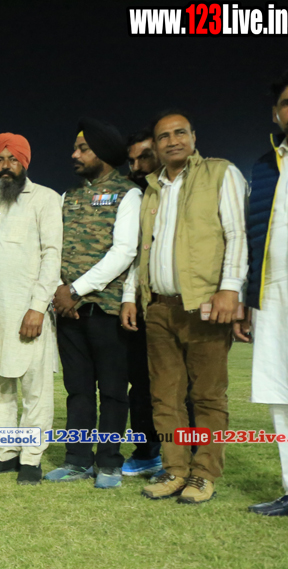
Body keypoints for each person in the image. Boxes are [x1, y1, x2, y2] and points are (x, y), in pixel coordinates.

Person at [120, 111, 248, 504]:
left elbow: (236, 233)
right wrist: (131, 296)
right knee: (165, 397)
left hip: (205, 304)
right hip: (159, 308)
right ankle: (175, 469)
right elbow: (143, 249)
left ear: (193, 137)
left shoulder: (220, 173)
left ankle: (204, 474)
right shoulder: (152, 189)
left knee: (207, 396)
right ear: (156, 146)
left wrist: (230, 289)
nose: (173, 140)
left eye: (180, 133)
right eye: (164, 136)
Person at [48, 118, 140, 488]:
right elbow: (54, 248)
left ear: (102, 152)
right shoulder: (68, 196)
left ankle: (109, 463)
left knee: (114, 391)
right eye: (75, 148)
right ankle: (77, 460)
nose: (75, 154)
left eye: (83, 149)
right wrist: (60, 291)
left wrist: (76, 289)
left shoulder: (128, 194)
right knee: (78, 391)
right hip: (69, 311)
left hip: (107, 309)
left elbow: (124, 252)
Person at [238, 68, 288, 516]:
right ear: (276, 113)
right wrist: (249, 301)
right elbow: (254, 238)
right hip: (274, 296)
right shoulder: (265, 165)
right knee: (284, 395)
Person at [0, 134, 62, 486]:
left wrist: (38, 306)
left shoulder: (45, 198)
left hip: (28, 310)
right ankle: (7, 452)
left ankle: (31, 458)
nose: (6, 166)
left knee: (35, 388)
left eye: (13, 159)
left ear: (24, 162)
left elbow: (52, 254)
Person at [121, 128, 167, 478]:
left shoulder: (179, 191)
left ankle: (188, 455)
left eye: (145, 157)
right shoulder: (132, 195)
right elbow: (135, 253)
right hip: (138, 302)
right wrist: (129, 296)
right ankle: (147, 452)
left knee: (183, 387)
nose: (137, 166)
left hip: (178, 301)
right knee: (140, 384)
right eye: (132, 160)